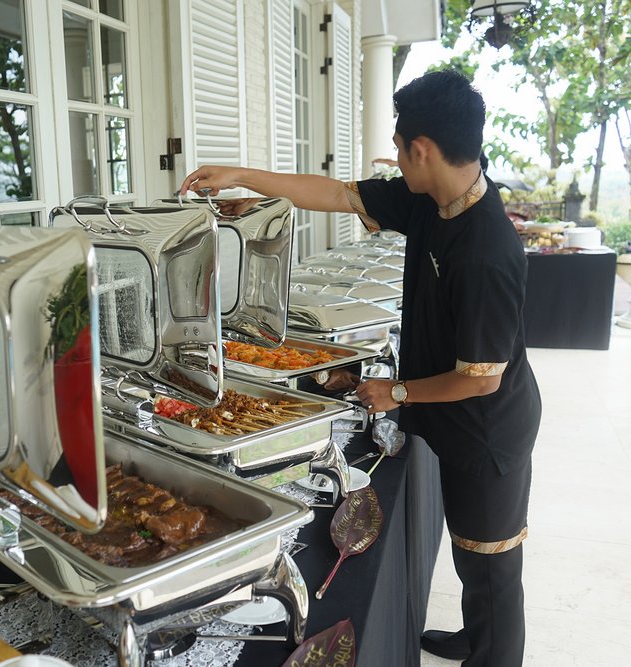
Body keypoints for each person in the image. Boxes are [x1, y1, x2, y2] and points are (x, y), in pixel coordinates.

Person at [179, 69, 541, 666]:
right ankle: (477, 636)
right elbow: (336, 194)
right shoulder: (433, 198)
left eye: (398, 148)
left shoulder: (486, 248)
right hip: (459, 421)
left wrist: (396, 392)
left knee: (493, 559)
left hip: (488, 431)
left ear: (421, 149)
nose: (394, 160)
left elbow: (482, 377)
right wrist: (244, 178)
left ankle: (495, 652)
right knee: (470, 548)